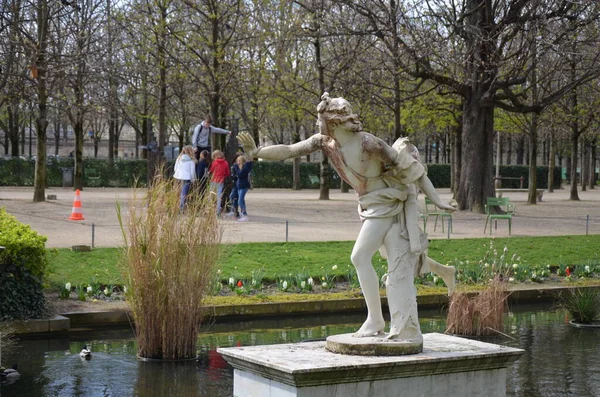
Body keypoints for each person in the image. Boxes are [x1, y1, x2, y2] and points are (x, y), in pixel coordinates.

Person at [237, 92, 455, 346]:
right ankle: (444, 273)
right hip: (369, 206)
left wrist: (436, 199)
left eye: (320, 119)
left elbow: (412, 169)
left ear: (335, 122)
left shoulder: (369, 144)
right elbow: (288, 150)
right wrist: (257, 152)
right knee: (401, 260)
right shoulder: (325, 142)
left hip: (387, 204)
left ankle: (376, 319)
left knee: (360, 257)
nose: (317, 125)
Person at [173, 145, 197, 212]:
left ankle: (175, 206)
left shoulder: (179, 158)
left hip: (178, 177)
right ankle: (181, 207)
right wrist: (193, 180)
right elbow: (192, 172)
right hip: (187, 177)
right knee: (184, 193)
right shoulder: (191, 161)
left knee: (177, 192)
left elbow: (175, 168)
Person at [209, 150, 230, 216]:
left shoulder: (214, 162)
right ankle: (218, 211)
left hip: (214, 180)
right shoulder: (226, 163)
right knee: (219, 196)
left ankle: (210, 209)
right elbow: (227, 173)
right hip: (221, 180)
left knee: (211, 194)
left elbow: (211, 170)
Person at [234, 155, 253, 222]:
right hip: (239, 185)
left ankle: (245, 214)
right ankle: (243, 214)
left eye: (239, 160)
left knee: (240, 201)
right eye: (237, 160)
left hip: (244, 186)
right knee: (242, 201)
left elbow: (240, 174)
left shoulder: (245, 168)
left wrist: (236, 168)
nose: (238, 162)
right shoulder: (241, 167)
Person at [226, 154, 241, 218]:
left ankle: (235, 211)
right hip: (235, 183)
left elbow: (235, 175)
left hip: (237, 184)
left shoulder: (237, 166)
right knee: (233, 197)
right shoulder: (235, 166)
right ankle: (234, 210)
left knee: (233, 197)